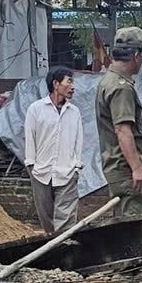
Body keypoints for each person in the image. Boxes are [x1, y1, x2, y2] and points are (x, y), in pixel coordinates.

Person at [96, 27, 142, 226]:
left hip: (120, 169)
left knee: (124, 226)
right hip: (127, 172)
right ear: (136, 55)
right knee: (135, 228)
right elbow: (123, 130)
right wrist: (137, 168)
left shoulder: (109, 81)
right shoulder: (121, 87)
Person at [24, 66, 85, 235]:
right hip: (41, 172)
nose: (73, 87)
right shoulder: (36, 109)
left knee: (66, 221)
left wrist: (76, 166)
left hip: (67, 172)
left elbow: (78, 140)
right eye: (69, 82)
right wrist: (31, 165)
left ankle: (64, 245)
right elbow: (30, 138)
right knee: (47, 219)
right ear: (56, 84)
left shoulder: (74, 112)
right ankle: (54, 244)